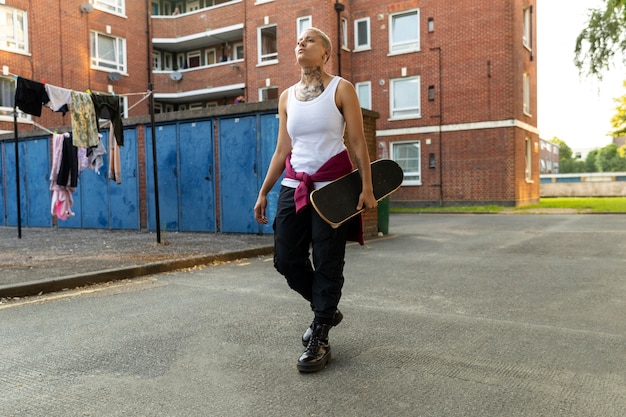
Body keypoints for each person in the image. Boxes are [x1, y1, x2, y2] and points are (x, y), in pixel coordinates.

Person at [253, 27, 377, 373]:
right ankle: (326, 308)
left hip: (333, 189)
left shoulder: (341, 89)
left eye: (309, 40)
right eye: (298, 41)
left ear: (326, 53)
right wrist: (264, 191)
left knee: (327, 260)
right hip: (293, 187)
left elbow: (356, 140)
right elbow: (282, 149)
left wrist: (366, 187)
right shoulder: (286, 97)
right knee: (286, 259)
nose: (300, 43)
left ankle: (320, 332)